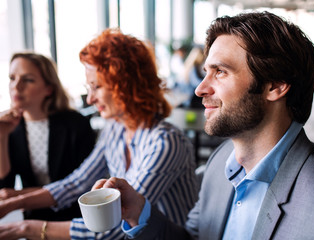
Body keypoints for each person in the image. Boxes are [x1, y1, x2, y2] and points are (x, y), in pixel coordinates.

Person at [92, 11, 314, 240]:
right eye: (206, 71)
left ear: (274, 86)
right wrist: (140, 214)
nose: (200, 88)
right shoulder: (220, 164)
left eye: (220, 71)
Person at [0, 28, 198, 240]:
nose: (90, 99)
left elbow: (116, 222)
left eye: (96, 87)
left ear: (125, 85)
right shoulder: (115, 128)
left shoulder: (164, 142)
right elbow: (77, 182)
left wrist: (25, 228)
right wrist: (16, 202)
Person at [0, 52, 96, 221]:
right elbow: (5, 188)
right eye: (12, 78)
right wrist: (1, 136)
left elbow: (82, 184)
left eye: (28, 79)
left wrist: (20, 195)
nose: (16, 86)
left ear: (49, 89)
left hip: (75, 217)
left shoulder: (75, 124)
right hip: (34, 218)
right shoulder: (11, 128)